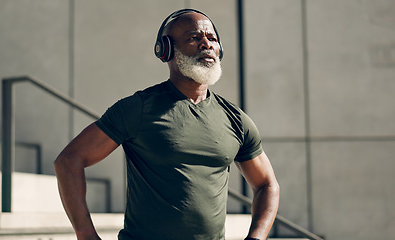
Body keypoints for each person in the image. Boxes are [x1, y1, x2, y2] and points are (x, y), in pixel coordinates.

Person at [54, 9, 279, 240]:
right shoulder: (137, 109)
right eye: (194, 38)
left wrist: (256, 237)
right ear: (166, 50)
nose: (206, 44)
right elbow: (69, 160)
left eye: (212, 38)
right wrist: (85, 234)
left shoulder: (236, 120)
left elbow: (267, 184)